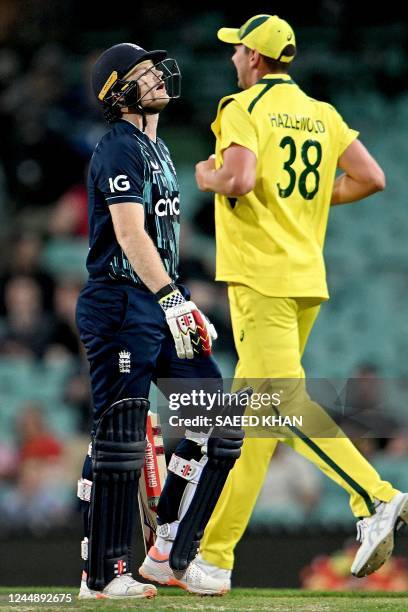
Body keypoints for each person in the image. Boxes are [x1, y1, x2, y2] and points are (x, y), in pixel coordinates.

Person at [194, 14, 408, 591]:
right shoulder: (322, 113)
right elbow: (373, 177)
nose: (234, 58)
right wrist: (308, 204)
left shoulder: (240, 109)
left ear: (256, 59)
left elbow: (237, 179)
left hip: (260, 279)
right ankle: (212, 558)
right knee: (256, 421)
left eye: (238, 50)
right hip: (305, 278)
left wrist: (206, 176)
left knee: (279, 407)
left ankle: (375, 495)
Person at [76, 42, 245, 599]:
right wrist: (175, 299)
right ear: (119, 91)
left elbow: (164, 238)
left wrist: (178, 299)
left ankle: (170, 551)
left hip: (160, 299)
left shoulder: (160, 148)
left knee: (218, 420)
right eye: (144, 73)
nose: (157, 76)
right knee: (123, 437)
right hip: (121, 302)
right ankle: (102, 575)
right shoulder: (117, 150)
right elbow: (128, 234)